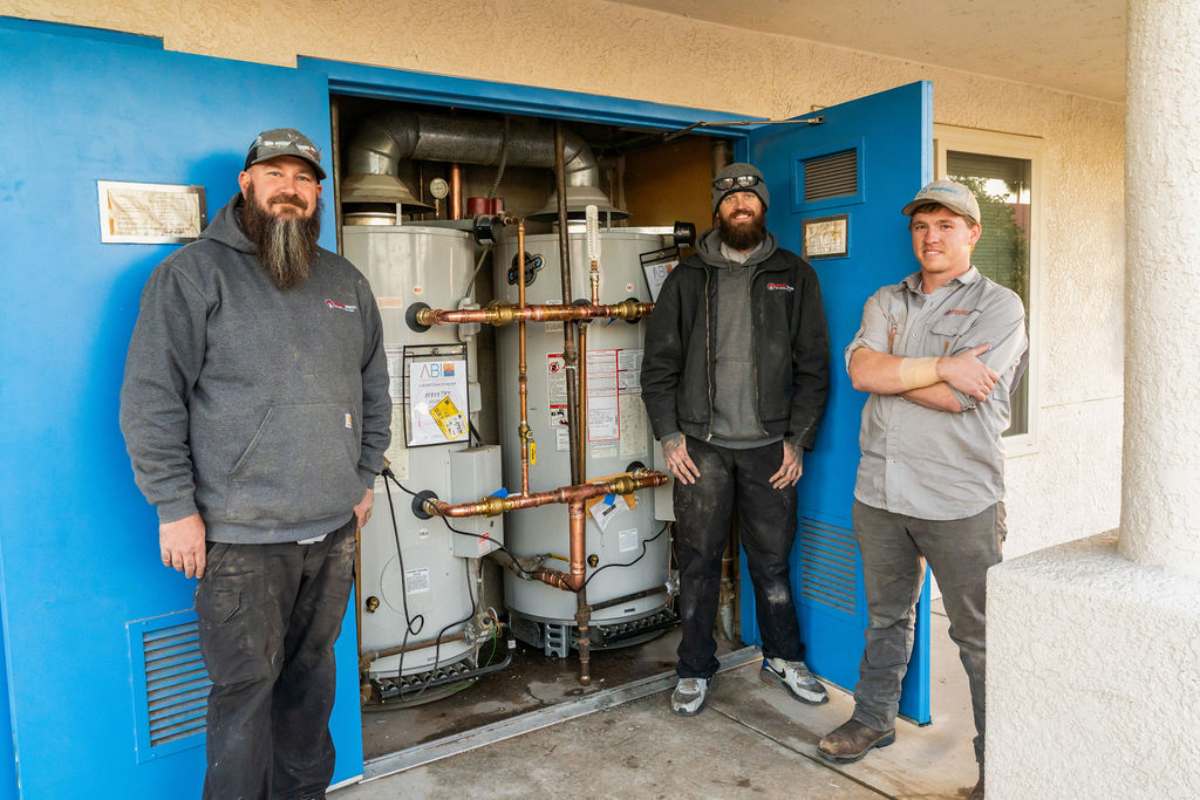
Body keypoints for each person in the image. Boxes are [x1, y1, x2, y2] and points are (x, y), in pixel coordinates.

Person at [119, 128, 390, 800]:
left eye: (304, 179)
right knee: (243, 700)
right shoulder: (191, 276)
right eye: (276, 175)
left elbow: (374, 387)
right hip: (240, 541)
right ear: (246, 184)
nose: (290, 190)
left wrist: (362, 477)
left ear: (318, 193)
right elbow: (151, 401)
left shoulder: (344, 281)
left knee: (311, 687)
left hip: (330, 534)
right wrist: (175, 509)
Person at [817, 179, 1028, 800]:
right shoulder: (888, 299)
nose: (930, 237)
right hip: (880, 493)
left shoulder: (1000, 305)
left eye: (945, 225)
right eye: (921, 226)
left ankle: (1001, 767)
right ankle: (873, 718)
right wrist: (939, 364)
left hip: (960, 499)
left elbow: (965, 396)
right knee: (886, 616)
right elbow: (860, 372)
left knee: (979, 638)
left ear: (972, 233)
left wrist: (894, 374)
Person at [641, 161, 830, 716]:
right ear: (717, 210)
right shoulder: (687, 278)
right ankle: (695, 667)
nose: (739, 205)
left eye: (748, 197)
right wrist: (670, 437)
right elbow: (658, 366)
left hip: (770, 448)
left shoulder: (794, 274)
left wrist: (798, 440)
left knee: (771, 562)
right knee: (697, 561)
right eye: (728, 198)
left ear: (762, 206)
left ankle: (783, 657)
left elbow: (813, 367)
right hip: (701, 447)